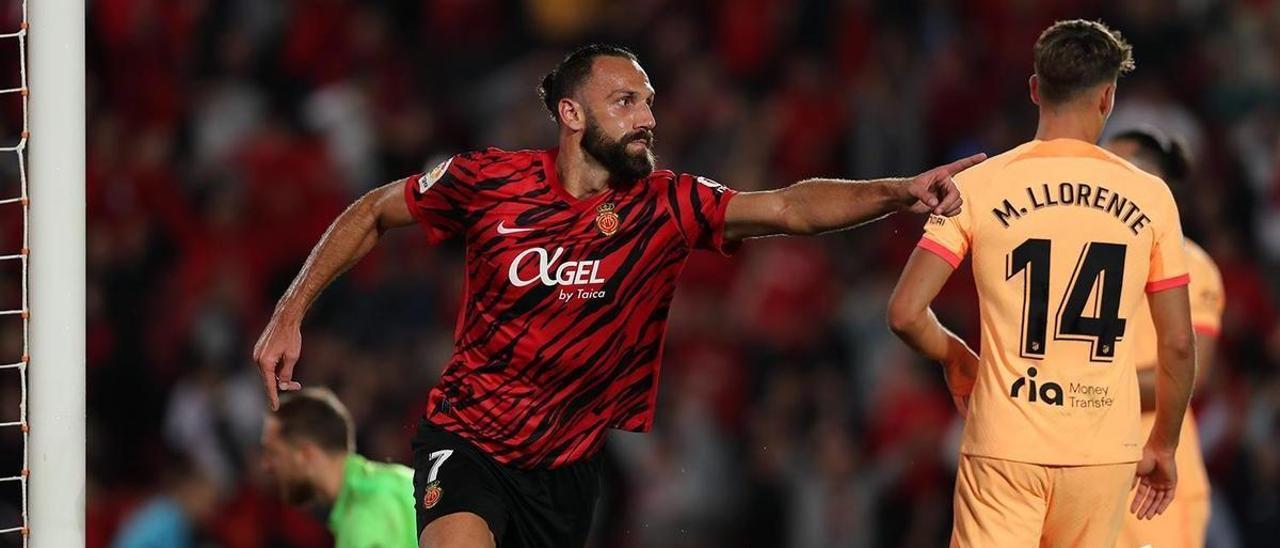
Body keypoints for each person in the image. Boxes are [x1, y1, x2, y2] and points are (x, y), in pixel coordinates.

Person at [253, 43, 984, 548]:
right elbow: (376, 210)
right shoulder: (490, 181)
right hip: (466, 441)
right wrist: (290, 311)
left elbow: (789, 208)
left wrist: (898, 191)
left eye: (651, 101)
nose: (648, 117)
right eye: (626, 100)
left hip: (567, 472)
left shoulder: (667, 205)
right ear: (572, 116)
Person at [886, 20, 1197, 547]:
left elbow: (905, 313)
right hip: (1103, 453)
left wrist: (958, 358)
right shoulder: (1151, 198)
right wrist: (1163, 445)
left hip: (1005, 444)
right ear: (1108, 98)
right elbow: (1178, 343)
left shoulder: (977, 187)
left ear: (1035, 89)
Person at [1106, 127, 1224, 547]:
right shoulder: (1089, 255)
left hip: (1152, 484)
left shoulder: (1192, 264)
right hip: (1091, 470)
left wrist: (1084, 389)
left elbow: (1190, 374)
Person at [260, 387, 417, 547]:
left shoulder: (363, 517)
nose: (266, 466)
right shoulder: (399, 482)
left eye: (274, 453)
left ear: (305, 455)